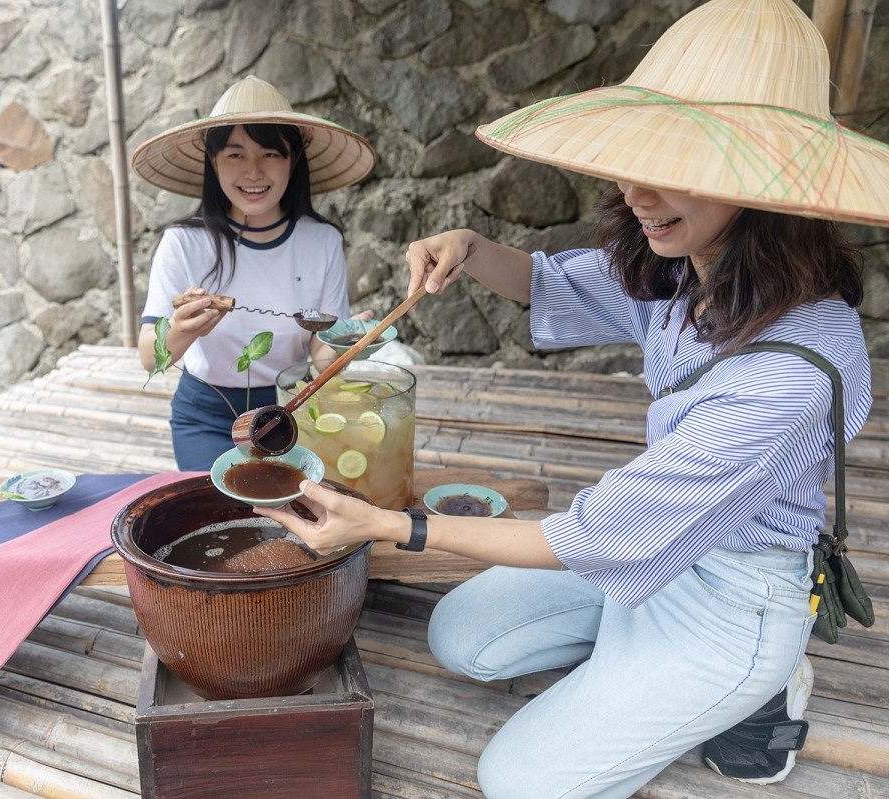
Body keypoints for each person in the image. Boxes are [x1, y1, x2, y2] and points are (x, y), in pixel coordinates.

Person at [256, 0, 889, 796]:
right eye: (639, 155)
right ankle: (640, 685)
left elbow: (591, 534)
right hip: (656, 544)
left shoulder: (792, 374)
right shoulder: (681, 268)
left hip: (735, 595)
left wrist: (391, 525)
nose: (639, 194)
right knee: (461, 637)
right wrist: (469, 245)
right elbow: (546, 281)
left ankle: (759, 687)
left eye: (678, 168)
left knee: (518, 781)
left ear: (763, 182)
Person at [131, 76, 376, 471]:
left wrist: (345, 344)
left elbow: (318, 353)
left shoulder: (323, 241)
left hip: (290, 410)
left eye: (270, 154)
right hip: (206, 415)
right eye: (235, 155)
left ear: (293, 160)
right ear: (213, 161)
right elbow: (149, 357)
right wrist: (183, 328)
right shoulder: (183, 242)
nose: (254, 172)